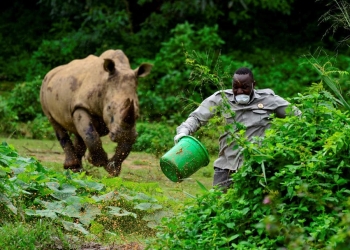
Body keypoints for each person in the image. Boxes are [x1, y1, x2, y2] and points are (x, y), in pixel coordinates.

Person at [174, 67, 295, 192]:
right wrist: (183, 133)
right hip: (225, 168)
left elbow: (298, 116)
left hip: (256, 168)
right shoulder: (221, 99)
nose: (239, 91)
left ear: (254, 85)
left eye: (245, 87)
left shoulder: (269, 100)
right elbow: (197, 118)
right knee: (218, 206)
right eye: (235, 87)